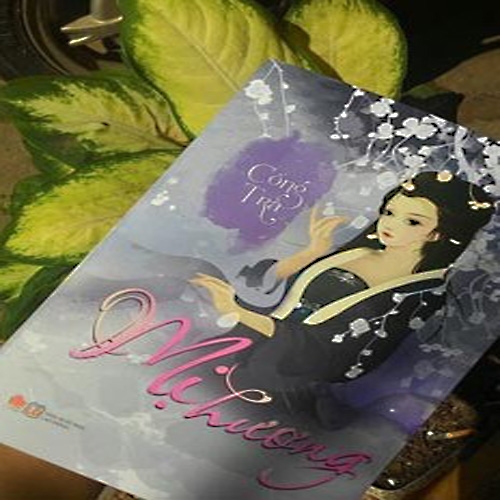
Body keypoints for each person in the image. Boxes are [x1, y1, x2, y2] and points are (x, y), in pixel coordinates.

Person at [191, 171, 495, 422]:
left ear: (438, 233)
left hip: (280, 381)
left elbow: (335, 355)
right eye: (389, 212)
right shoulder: (358, 252)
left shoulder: (421, 293)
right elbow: (265, 288)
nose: (389, 224)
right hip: (240, 343)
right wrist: (312, 253)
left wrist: (240, 312)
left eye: (412, 221)